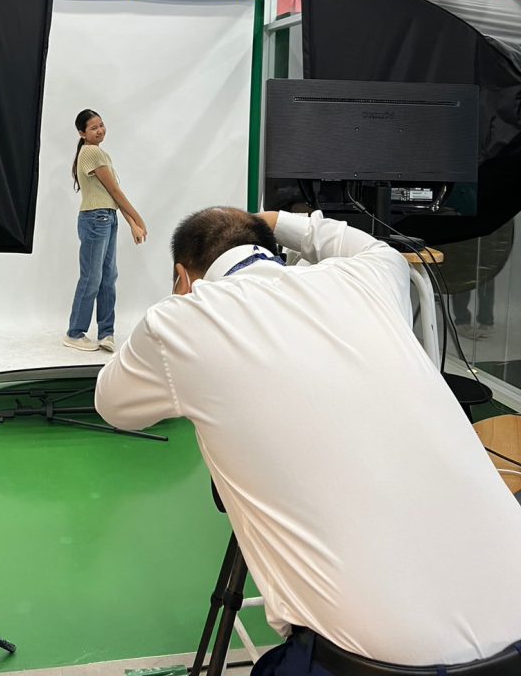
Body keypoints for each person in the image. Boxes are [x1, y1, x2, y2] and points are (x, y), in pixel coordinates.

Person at [96, 207, 521, 675]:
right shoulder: (372, 275)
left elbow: (112, 404)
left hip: (373, 665)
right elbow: (360, 243)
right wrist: (274, 219)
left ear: (182, 276)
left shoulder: (180, 321)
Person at [64, 108, 147, 353]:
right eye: (93, 128)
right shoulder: (91, 152)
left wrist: (132, 223)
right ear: (82, 133)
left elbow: (113, 197)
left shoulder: (100, 153)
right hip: (95, 219)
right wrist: (139, 218)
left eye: (101, 124)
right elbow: (115, 192)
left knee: (108, 277)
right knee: (92, 277)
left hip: (107, 217)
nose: (100, 130)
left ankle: (106, 333)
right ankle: (74, 333)